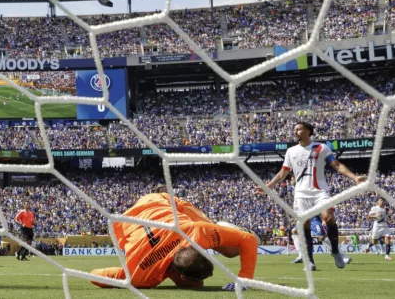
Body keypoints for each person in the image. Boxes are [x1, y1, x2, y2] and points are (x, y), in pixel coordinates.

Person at [90, 193, 258, 291]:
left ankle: (221, 228)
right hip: (147, 207)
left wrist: (245, 278)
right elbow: (95, 275)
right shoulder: (140, 278)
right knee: (228, 253)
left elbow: (249, 239)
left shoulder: (195, 232)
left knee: (229, 250)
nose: (204, 281)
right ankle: (222, 229)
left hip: (158, 205)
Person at [262, 122, 366, 270]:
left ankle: (335, 251)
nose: (295, 132)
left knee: (328, 218)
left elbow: (336, 165)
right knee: (304, 225)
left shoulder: (321, 147)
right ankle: (310, 261)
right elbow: (282, 173)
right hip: (301, 194)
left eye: (299, 129)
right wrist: (268, 186)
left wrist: (354, 177)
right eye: (294, 129)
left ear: (308, 131)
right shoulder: (291, 151)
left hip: (319, 191)